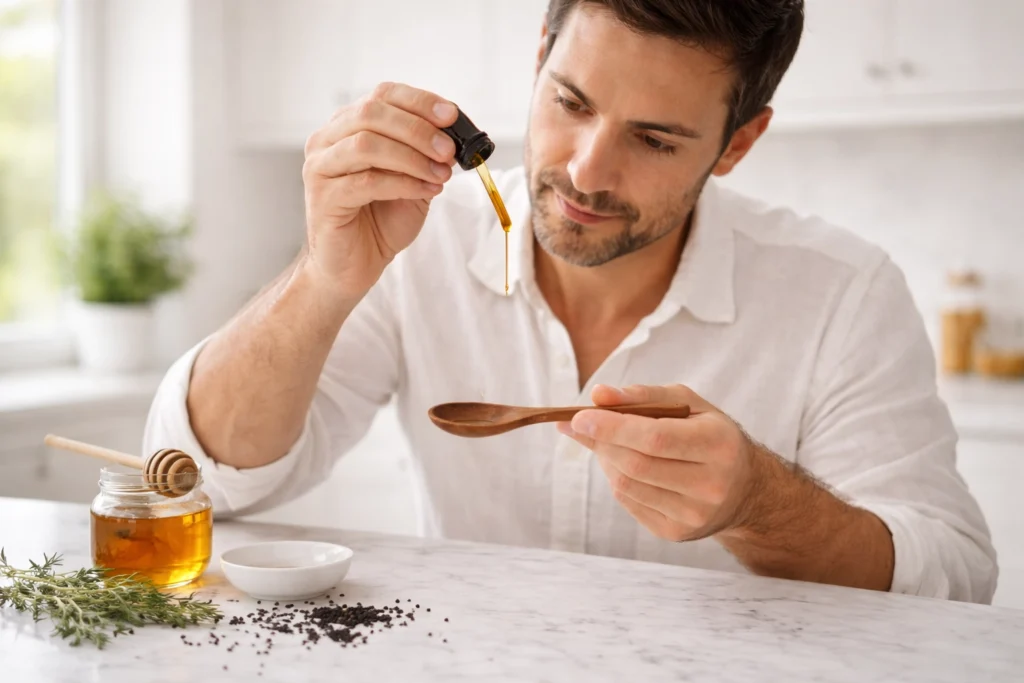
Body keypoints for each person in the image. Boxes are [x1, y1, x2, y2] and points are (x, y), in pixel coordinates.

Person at [143, 0, 997, 603]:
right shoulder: (419, 239)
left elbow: (951, 573)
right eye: (570, 102)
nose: (587, 170)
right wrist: (323, 279)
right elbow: (201, 479)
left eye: (655, 138)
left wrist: (758, 504)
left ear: (739, 142)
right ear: (539, 53)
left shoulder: (842, 292)